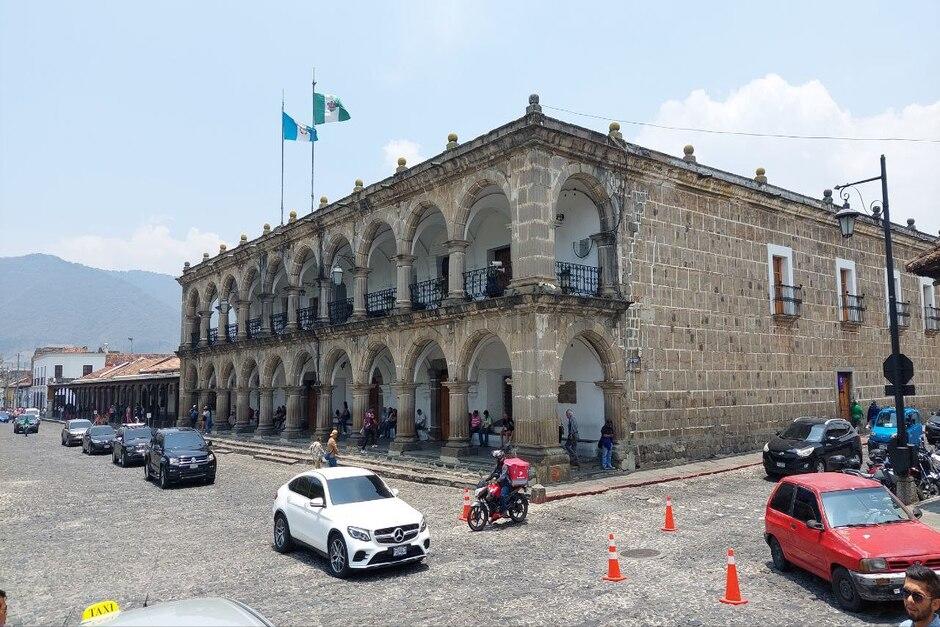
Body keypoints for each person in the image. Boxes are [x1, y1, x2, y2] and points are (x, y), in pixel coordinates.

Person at [485, 449, 512, 514]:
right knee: (490, 494)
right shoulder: (498, 464)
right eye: (496, 458)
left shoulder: (505, 465)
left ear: (501, 457)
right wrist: (487, 479)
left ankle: (504, 511)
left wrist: (497, 480)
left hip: (506, 483)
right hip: (498, 483)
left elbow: (503, 476)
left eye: (497, 458)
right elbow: (493, 472)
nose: (496, 459)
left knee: (502, 496)